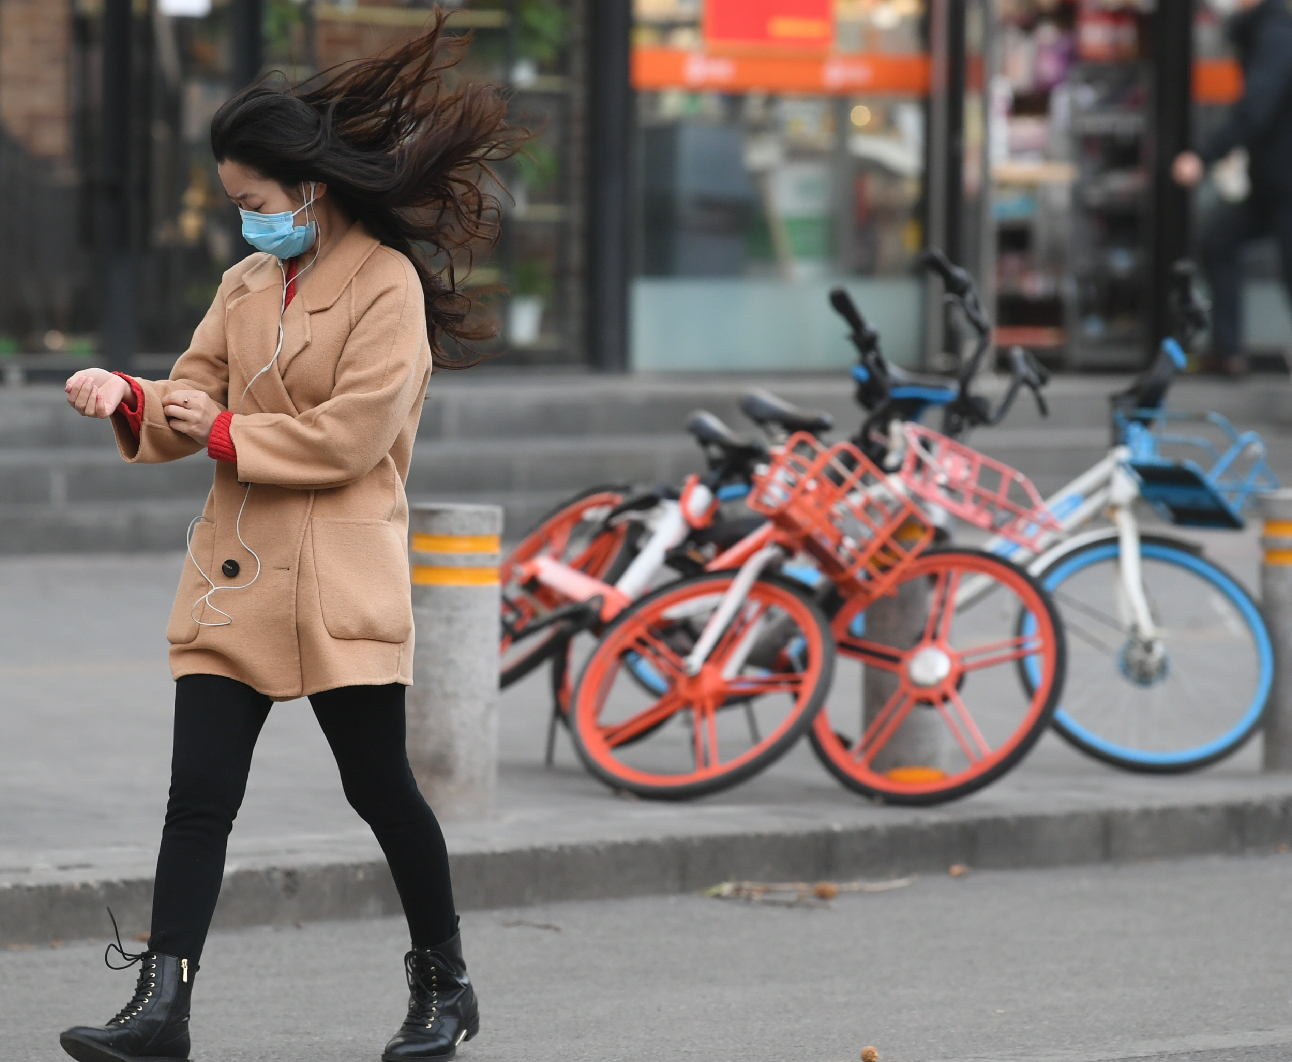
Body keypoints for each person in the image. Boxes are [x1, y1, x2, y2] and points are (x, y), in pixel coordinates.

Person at [56, 19, 520, 1062]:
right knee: (198, 799)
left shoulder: (386, 287)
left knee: (379, 791)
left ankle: (444, 985)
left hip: (339, 578)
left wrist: (217, 429)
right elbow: (195, 393)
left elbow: (351, 437)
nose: (246, 226)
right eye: (236, 209)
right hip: (237, 577)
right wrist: (130, 395)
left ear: (308, 188)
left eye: (254, 206)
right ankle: (161, 1009)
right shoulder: (246, 286)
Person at [1173, 0, 1292, 375]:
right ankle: (1228, 351)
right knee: (1219, 239)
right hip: (1271, 185)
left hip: (1287, 185)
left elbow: (1255, 109)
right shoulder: (1258, 33)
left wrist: (1205, 155)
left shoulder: (1277, 35)